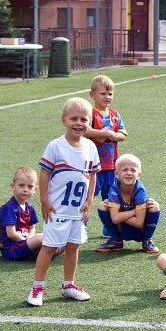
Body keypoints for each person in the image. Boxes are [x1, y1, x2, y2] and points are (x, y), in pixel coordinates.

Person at [25, 97, 100, 307]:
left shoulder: (91, 147)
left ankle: (69, 284)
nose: (78, 123)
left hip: (77, 210)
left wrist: (89, 201)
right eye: (73, 118)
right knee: (49, 247)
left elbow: (93, 175)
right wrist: (44, 200)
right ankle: (37, 286)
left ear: (89, 122)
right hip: (57, 209)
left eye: (84, 119)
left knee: (73, 247)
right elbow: (44, 173)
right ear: (63, 120)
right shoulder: (55, 146)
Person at [84, 74, 127, 236]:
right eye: (103, 94)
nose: (107, 97)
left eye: (110, 94)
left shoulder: (115, 114)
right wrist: (104, 133)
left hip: (112, 166)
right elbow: (86, 130)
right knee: (87, 197)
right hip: (94, 166)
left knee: (111, 200)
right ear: (92, 95)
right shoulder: (91, 113)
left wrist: (115, 135)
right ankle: (82, 228)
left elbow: (123, 132)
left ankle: (109, 229)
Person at [95, 153, 161, 253]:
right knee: (102, 206)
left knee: (154, 206)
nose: (129, 173)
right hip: (121, 227)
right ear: (116, 174)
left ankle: (147, 240)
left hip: (139, 231)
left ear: (139, 175)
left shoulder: (140, 191)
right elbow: (115, 219)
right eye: (125, 170)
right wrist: (134, 211)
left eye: (133, 170)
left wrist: (120, 213)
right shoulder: (114, 189)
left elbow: (138, 223)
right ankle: (116, 240)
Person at [0, 167, 45, 261]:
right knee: (41, 238)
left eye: (30, 186)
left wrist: (31, 239)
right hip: (11, 248)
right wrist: (28, 242)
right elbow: (11, 234)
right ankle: (38, 252)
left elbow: (32, 227)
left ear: (35, 189)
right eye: (21, 185)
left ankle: (42, 252)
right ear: (12, 186)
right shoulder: (9, 208)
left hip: (23, 243)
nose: (25, 189)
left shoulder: (29, 206)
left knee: (55, 240)